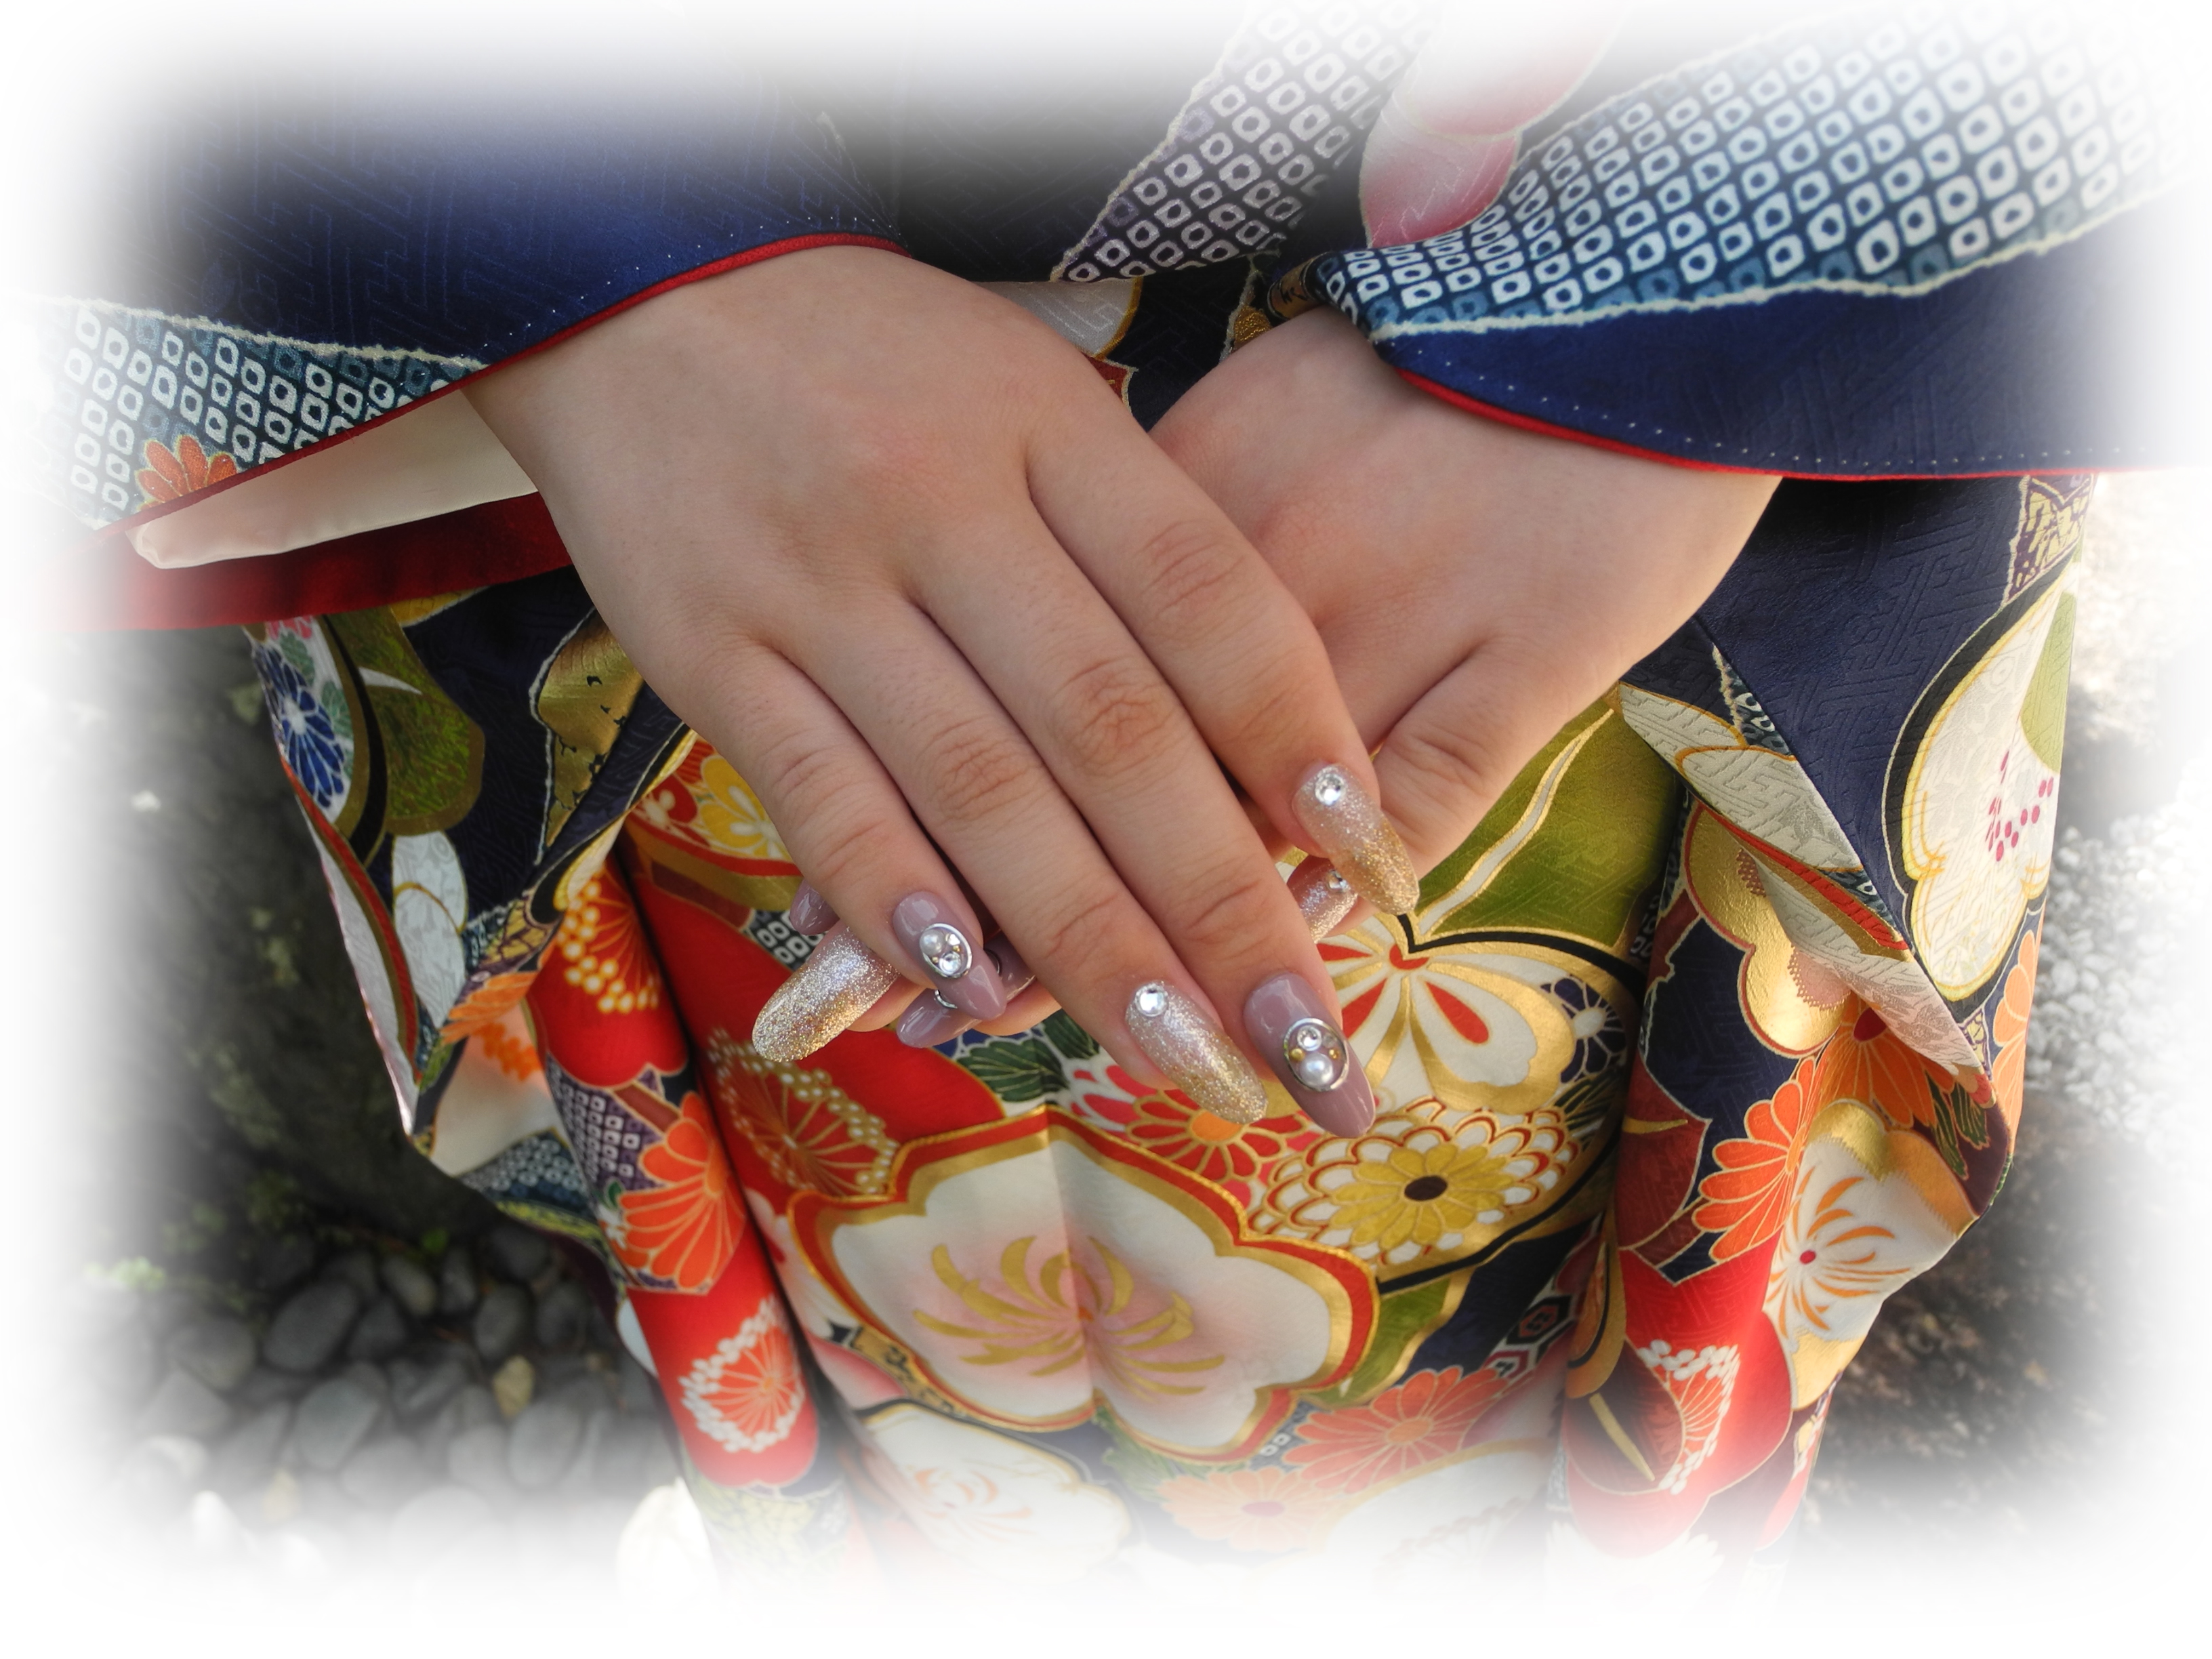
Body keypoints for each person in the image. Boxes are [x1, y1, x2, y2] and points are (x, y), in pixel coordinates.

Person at [33, 0, 2183, 1595]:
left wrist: (1721, 281)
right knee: (907, 1400)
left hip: (1559, 500)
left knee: (1546, 1410)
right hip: (680, 461)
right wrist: (548, 245)